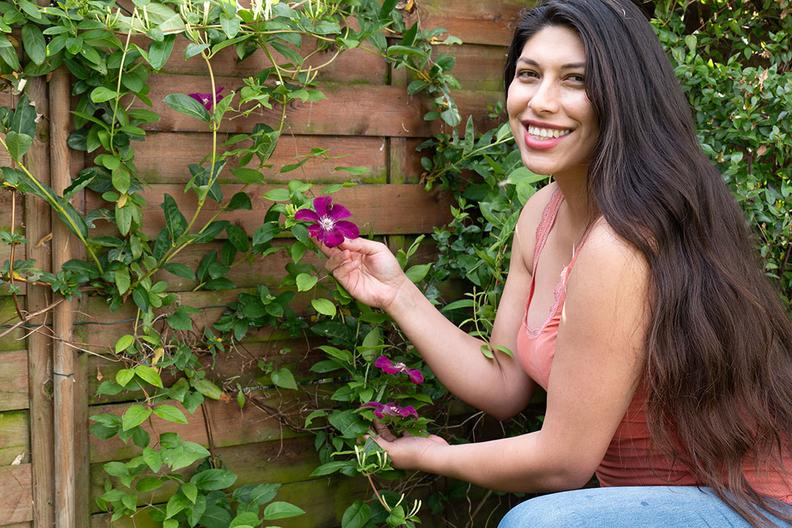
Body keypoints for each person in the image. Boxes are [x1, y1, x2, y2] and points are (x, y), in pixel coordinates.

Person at [320, 0, 792, 526]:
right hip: (649, 503)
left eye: (575, 80)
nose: (540, 102)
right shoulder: (542, 214)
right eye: (528, 75)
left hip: (754, 505)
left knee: (540, 523)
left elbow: (564, 463)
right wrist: (397, 293)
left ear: (623, 98)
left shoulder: (623, 243)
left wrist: (431, 455)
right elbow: (504, 382)